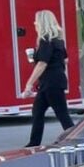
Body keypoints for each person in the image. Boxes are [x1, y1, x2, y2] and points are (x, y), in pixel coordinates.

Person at [22, 9, 74, 148]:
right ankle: (34, 143)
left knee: (62, 115)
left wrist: (29, 84)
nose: (34, 23)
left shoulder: (46, 40)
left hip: (51, 82)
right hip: (53, 81)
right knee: (38, 111)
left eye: (36, 21)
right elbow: (66, 60)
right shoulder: (58, 40)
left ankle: (75, 139)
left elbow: (42, 64)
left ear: (42, 23)